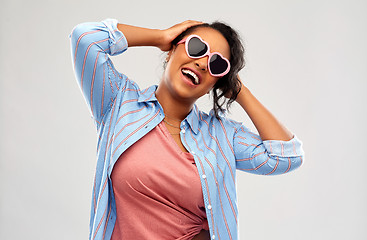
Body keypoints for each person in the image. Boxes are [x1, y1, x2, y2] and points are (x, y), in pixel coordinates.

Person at [69, 18, 304, 240]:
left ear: (217, 83)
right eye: (196, 47)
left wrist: (239, 90)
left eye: (217, 64)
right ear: (172, 50)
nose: (202, 63)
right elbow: (84, 39)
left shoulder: (220, 135)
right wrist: (159, 37)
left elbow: (286, 156)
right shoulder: (119, 103)